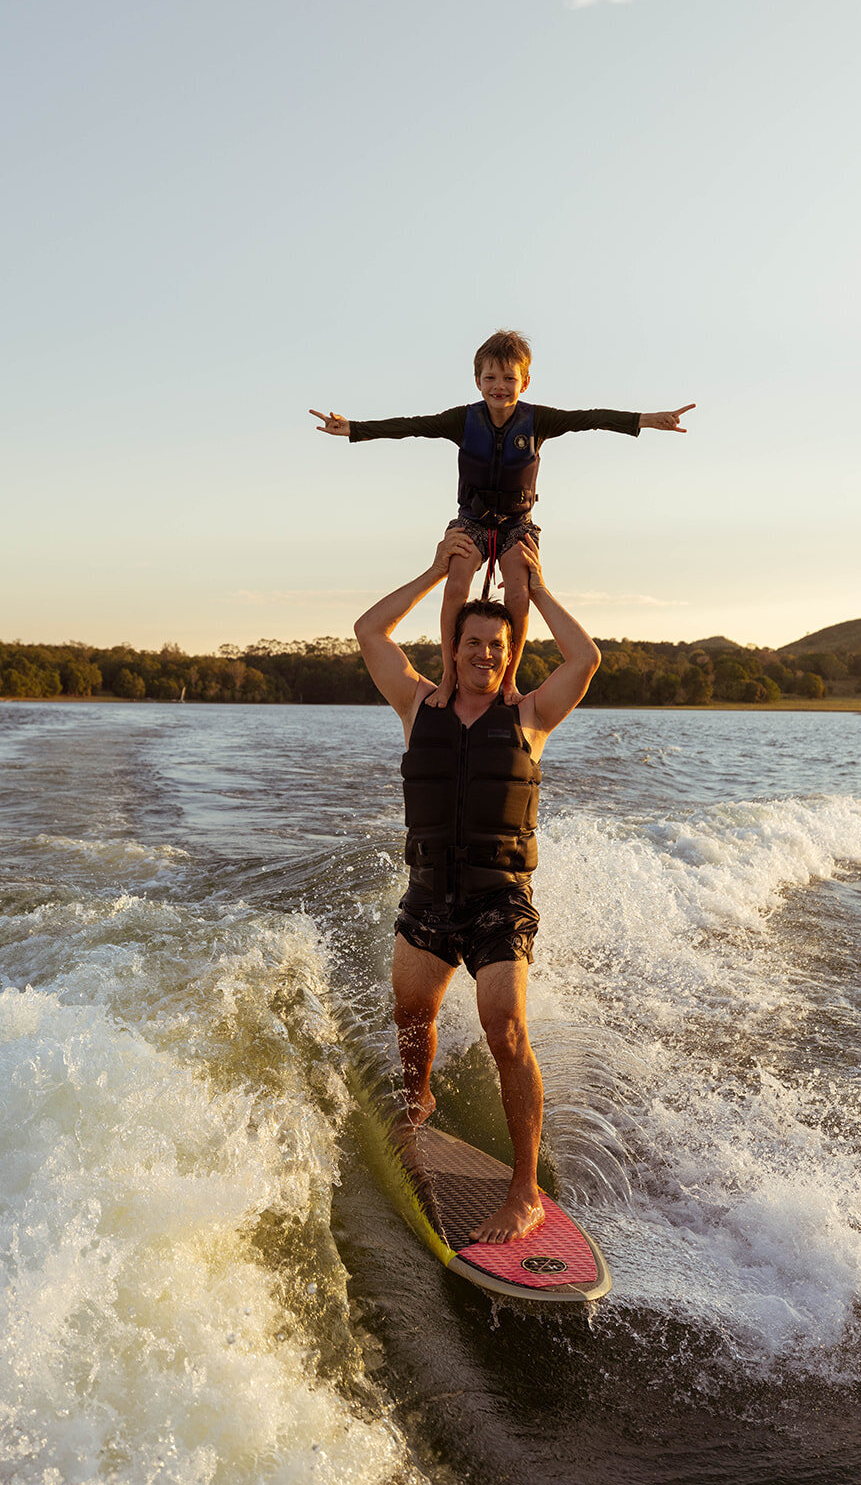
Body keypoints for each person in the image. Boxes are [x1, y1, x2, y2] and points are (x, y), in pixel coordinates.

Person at [354, 525, 601, 1244]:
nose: (484, 654)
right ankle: (417, 1103)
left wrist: (540, 586)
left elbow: (585, 658)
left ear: (508, 652)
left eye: (497, 646)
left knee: (506, 1027)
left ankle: (523, 1190)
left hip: (498, 902)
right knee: (410, 1021)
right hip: (429, 895)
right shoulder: (415, 706)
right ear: (452, 649)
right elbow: (369, 629)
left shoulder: (529, 716)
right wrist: (438, 571)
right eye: (472, 644)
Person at [313, 327, 692, 706]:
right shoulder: (461, 420)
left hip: (517, 524)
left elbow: (589, 418)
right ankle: (449, 677)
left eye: (509, 378)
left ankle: (508, 681)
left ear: (524, 382)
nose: (500, 386)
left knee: (519, 590)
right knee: (457, 580)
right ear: (477, 381)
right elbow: (413, 426)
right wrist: (354, 430)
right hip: (471, 521)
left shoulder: (537, 420)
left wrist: (645, 419)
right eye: (491, 377)